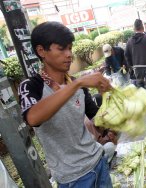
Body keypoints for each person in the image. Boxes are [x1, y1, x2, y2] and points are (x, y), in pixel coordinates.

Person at [18, 22, 112, 187]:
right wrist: (77, 84)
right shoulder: (31, 86)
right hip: (73, 178)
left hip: (98, 163)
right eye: (61, 49)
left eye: (70, 48)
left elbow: (98, 121)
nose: (69, 54)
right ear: (41, 51)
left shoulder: (76, 84)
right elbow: (33, 118)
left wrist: (109, 100)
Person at [84, 93, 118, 164]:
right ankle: (104, 164)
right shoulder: (88, 124)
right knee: (110, 147)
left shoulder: (103, 116)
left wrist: (110, 132)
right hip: (91, 155)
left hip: (99, 144)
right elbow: (92, 147)